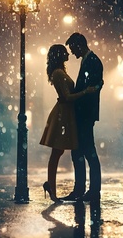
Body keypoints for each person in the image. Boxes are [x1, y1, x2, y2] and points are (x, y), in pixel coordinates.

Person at [40, 44, 97, 203]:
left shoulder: (60, 72)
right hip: (63, 115)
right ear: (59, 55)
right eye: (64, 52)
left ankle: (51, 187)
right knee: (56, 153)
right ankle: (51, 190)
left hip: (65, 115)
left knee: (57, 153)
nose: (68, 53)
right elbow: (66, 97)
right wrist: (86, 91)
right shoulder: (58, 73)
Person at [60, 32, 104, 202]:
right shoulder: (91, 61)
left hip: (84, 115)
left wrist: (73, 96)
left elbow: (93, 87)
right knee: (80, 151)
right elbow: (95, 86)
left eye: (73, 48)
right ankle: (84, 190)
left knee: (87, 152)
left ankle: (89, 190)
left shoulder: (92, 61)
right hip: (84, 114)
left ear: (80, 45)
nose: (71, 52)